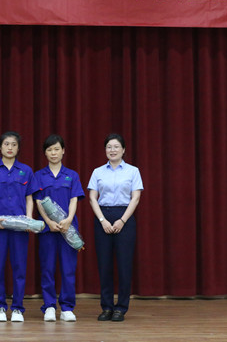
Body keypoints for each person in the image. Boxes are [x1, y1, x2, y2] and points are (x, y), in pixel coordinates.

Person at [0, 131, 39, 323]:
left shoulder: (26, 171)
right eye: (6, 144)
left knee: (19, 267)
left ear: (18, 148)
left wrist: (29, 220)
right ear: (0, 147)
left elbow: (29, 198)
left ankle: (18, 308)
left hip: (19, 228)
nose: (10, 148)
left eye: (13, 144)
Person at [87, 133, 143, 322]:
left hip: (124, 218)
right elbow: (92, 198)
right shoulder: (98, 172)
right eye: (109, 147)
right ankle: (107, 307)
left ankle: (121, 308)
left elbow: (135, 198)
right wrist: (102, 220)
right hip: (102, 217)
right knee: (104, 265)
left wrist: (122, 220)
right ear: (105, 150)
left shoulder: (133, 171)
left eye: (116, 147)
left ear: (123, 149)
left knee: (124, 265)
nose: (112, 150)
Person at [34, 134, 85, 322]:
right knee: (47, 267)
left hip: (68, 229)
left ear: (63, 151)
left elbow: (74, 199)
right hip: (47, 229)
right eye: (49, 150)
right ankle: (48, 306)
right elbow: (38, 200)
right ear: (45, 153)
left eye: (57, 149)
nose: (53, 153)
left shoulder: (72, 175)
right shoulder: (39, 175)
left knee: (68, 268)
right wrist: (48, 221)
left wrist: (69, 220)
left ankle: (67, 307)